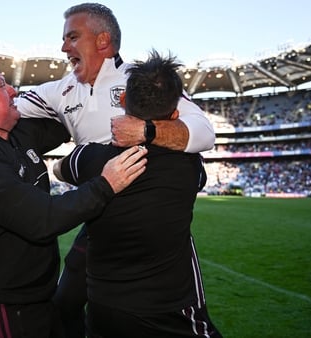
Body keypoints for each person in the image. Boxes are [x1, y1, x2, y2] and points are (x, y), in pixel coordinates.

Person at [0, 3, 215, 336]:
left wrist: (147, 131)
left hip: (147, 208)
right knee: (69, 300)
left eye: (72, 37)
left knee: (164, 300)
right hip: (99, 207)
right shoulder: (60, 90)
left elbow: (204, 130)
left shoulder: (142, 81)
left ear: (103, 42)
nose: (63, 47)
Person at [0, 53, 147, 338]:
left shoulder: (11, 133)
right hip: (0, 308)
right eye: (1, 86)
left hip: (36, 299)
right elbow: (43, 219)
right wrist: (107, 183)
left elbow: (71, 117)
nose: (14, 91)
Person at [53, 50, 222, 338]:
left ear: (122, 101)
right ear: (175, 114)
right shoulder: (189, 166)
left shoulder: (89, 159)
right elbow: (199, 150)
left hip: (103, 308)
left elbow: (59, 169)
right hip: (169, 309)